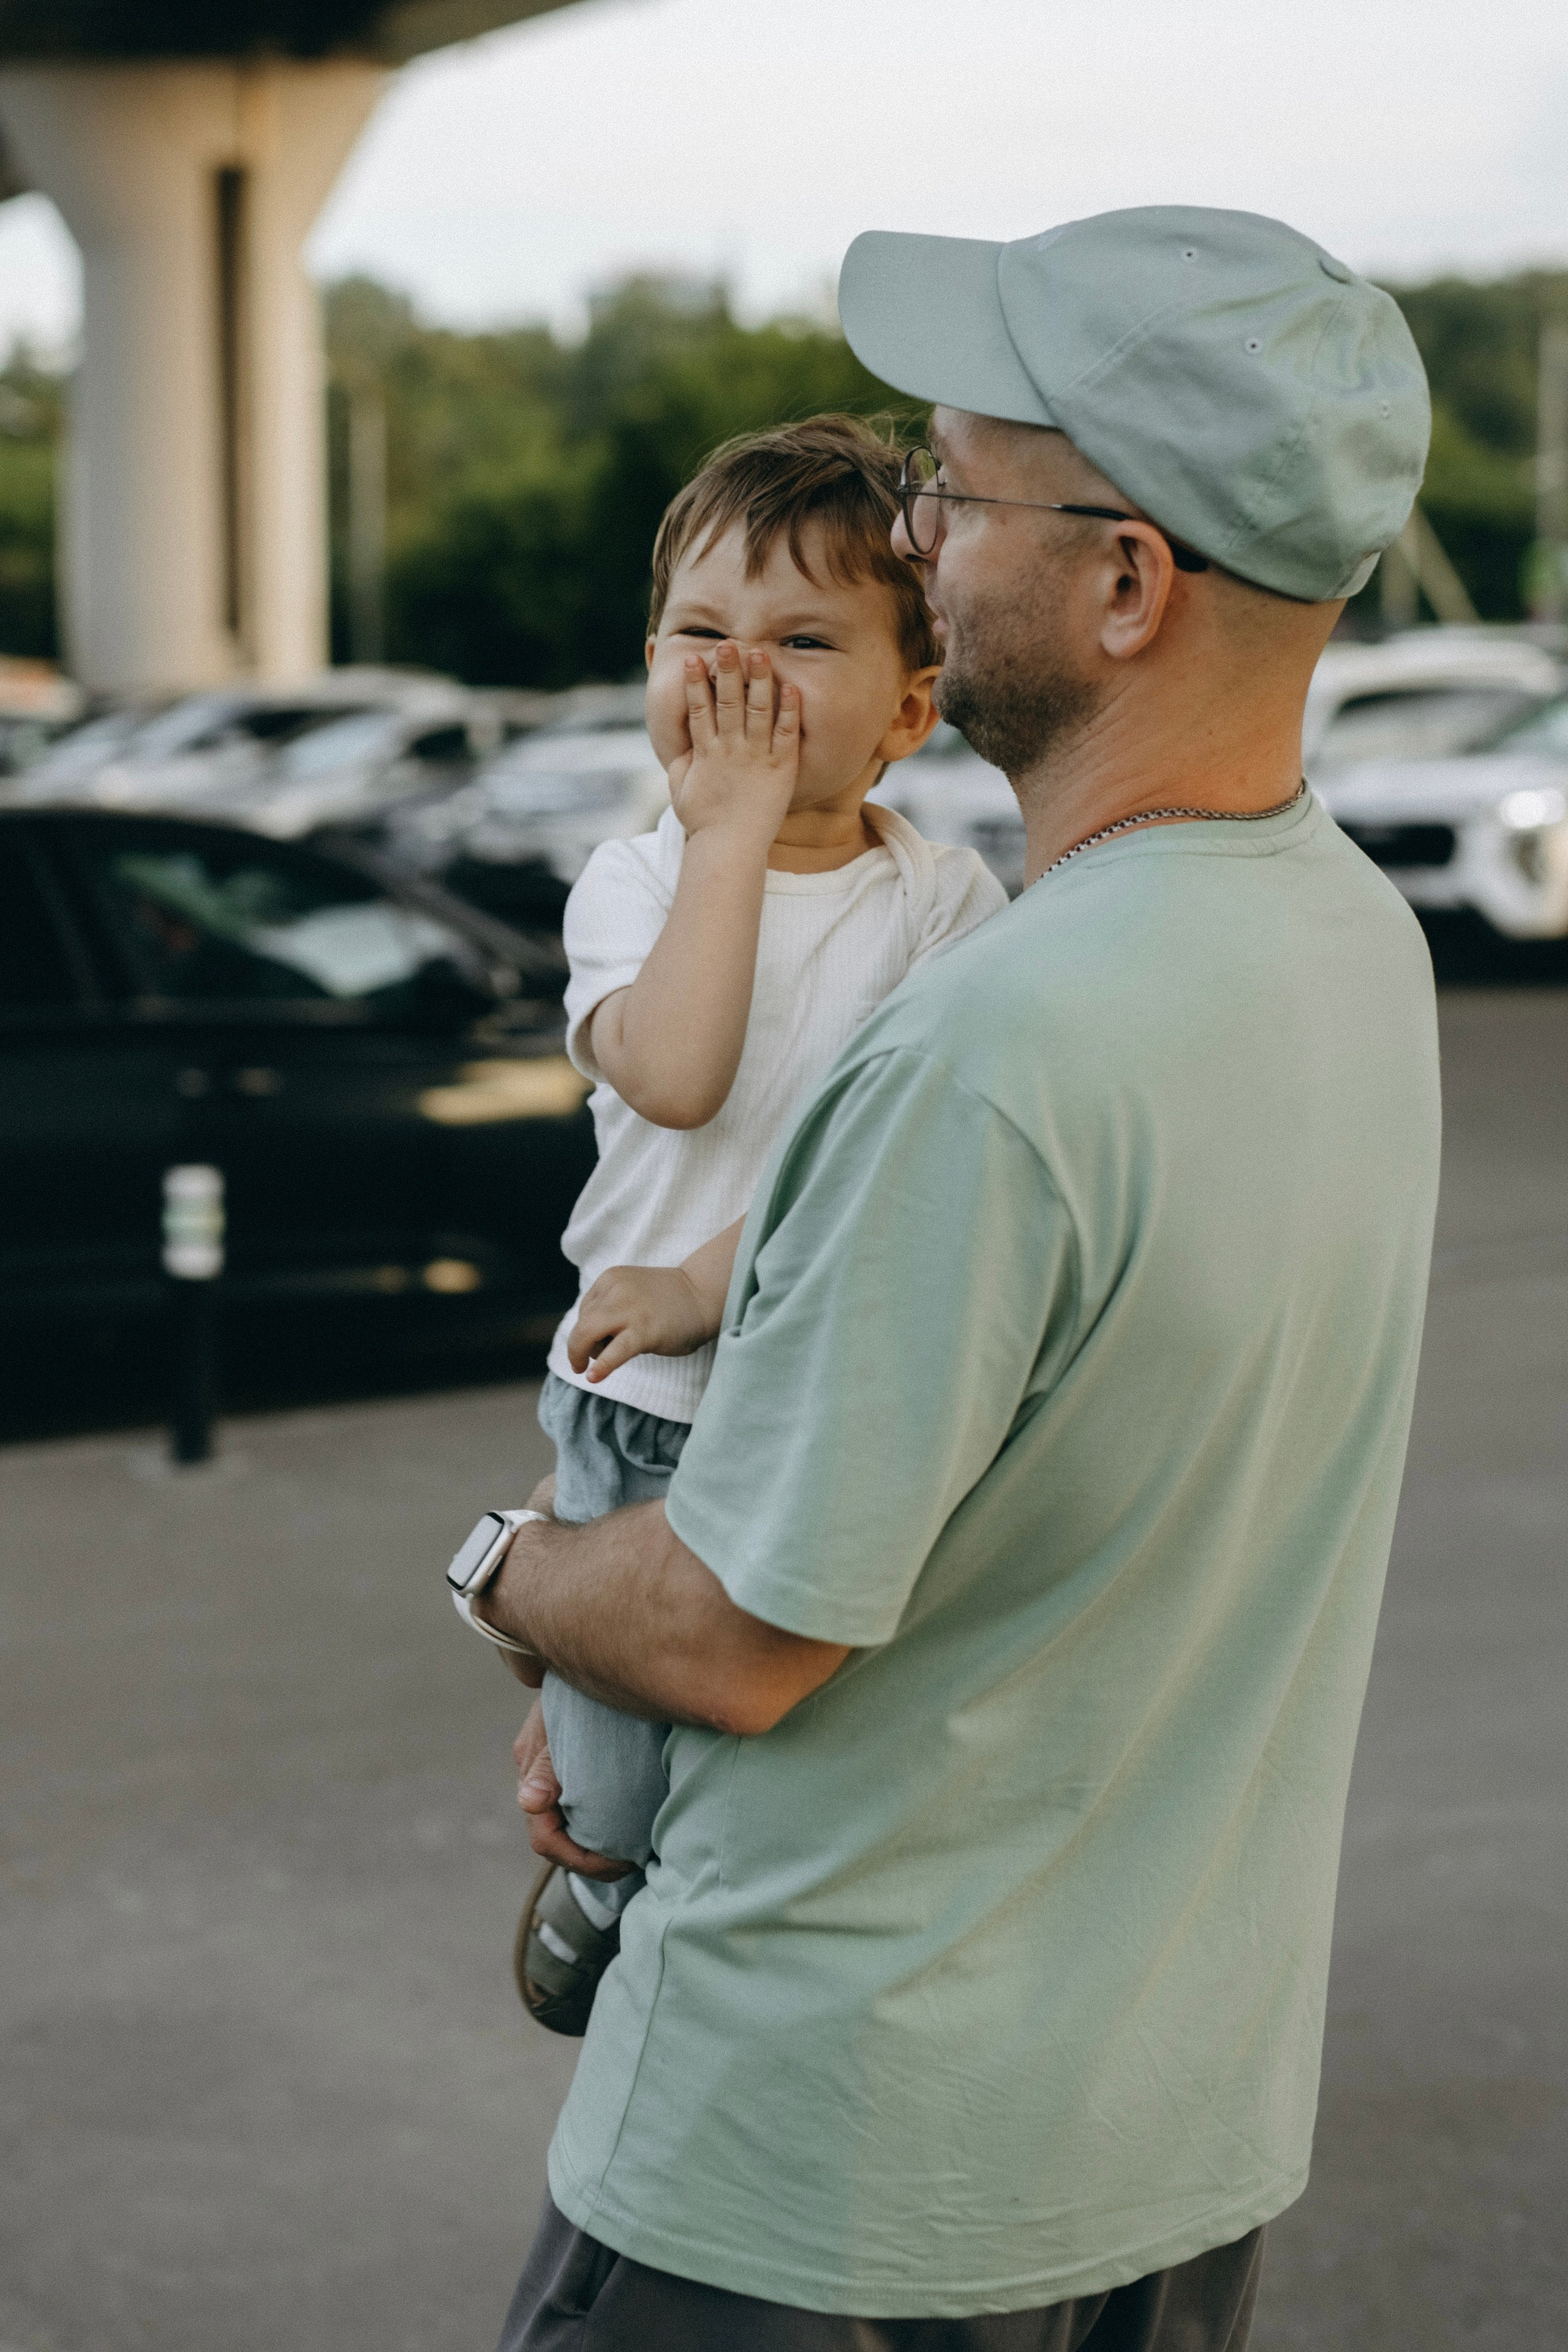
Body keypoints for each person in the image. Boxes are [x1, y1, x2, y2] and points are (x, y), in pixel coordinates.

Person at [464, 206, 1442, 2349]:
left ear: (1123, 580)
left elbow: (726, 1632)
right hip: (1159, 2142)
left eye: (950, 486)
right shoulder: (1347, 942)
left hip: (829, 2184)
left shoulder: (992, 1047)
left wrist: (503, 1570)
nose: (919, 524)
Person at [516, 415, 1006, 2033]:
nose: (739, 675)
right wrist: (731, 838)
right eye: (700, 636)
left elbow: (884, 1165)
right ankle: (595, 1878)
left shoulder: (939, 906)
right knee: (614, 1769)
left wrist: (709, 1285)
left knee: (779, 1754)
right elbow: (676, 1071)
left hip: (818, 1399)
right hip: (640, 1409)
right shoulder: (634, 883)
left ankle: (688, 1950)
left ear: (910, 712)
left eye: (803, 642)